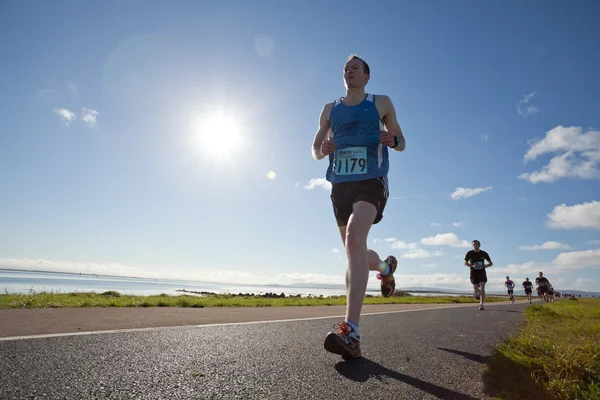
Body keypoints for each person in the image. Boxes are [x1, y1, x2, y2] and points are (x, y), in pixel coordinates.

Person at [311, 54, 406, 360]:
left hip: (371, 180)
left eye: (355, 68)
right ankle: (386, 269)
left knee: (354, 237)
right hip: (340, 186)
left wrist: (392, 139)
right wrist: (322, 147)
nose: (349, 71)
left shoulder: (381, 103)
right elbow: (315, 149)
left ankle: (351, 332)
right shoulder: (329, 109)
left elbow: (402, 141)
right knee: (356, 254)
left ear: (366, 77)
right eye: (345, 69)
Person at [464, 240, 493, 310]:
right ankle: (478, 293)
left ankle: (481, 304)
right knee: (476, 289)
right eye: (474, 244)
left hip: (482, 273)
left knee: (482, 287)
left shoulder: (484, 253)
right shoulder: (469, 253)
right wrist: (472, 265)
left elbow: (491, 263)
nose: (475, 245)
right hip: (473, 273)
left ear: (479, 245)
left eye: (477, 244)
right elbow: (465, 263)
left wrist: (484, 266)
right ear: (472, 245)